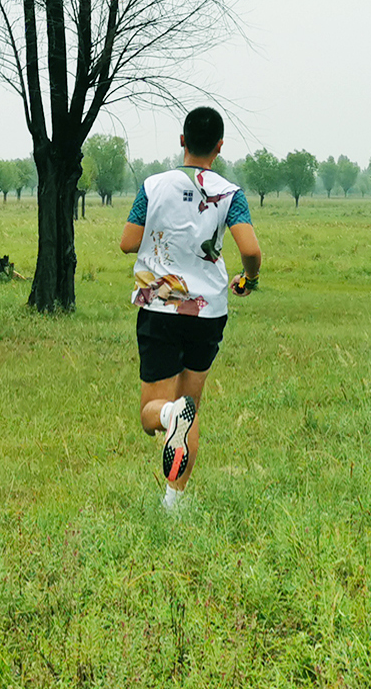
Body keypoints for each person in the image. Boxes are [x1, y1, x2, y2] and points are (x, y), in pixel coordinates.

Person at [119, 106, 261, 512]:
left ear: (182, 141)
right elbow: (250, 250)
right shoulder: (230, 194)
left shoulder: (152, 186)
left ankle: (168, 415)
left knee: (154, 415)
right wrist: (248, 279)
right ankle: (173, 506)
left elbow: (128, 242)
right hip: (208, 312)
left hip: (159, 306)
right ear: (219, 147)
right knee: (190, 407)